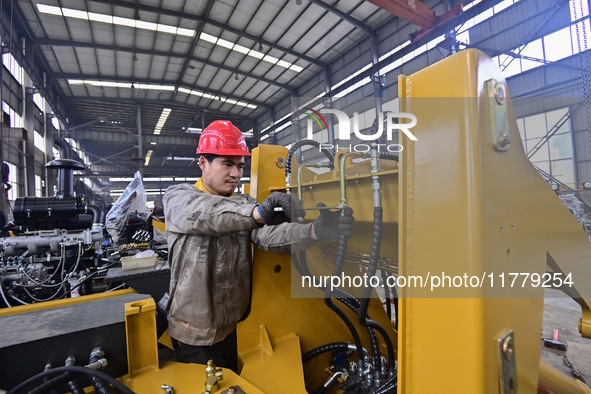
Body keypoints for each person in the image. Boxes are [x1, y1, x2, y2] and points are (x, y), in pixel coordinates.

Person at [163, 120, 352, 372]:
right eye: (227, 164)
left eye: (240, 166)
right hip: (192, 332)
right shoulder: (178, 197)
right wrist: (257, 213)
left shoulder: (244, 203)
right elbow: (209, 215)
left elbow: (270, 236)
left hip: (234, 328)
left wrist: (315, 230)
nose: (236, 173)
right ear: (203, 163)